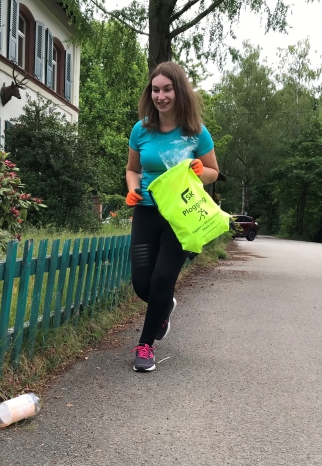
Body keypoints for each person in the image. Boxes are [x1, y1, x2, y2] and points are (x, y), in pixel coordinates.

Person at [126, 61, 220, 372]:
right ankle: (164, 307)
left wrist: (199, 170)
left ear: (179, 92)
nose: (161, 95)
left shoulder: (196, 132)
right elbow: (133, 169)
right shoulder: (141, 129)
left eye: (167, 89)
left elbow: (213, 173)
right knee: (143, 284)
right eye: (155, 89)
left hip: (180, 215)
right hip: (147, 211)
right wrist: (132, 189)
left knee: (163, 278)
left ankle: (145, 345)